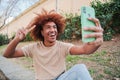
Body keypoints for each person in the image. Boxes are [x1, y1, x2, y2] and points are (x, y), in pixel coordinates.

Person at [3, 9, 103, 80]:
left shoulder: (62, 46)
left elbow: (85, 50)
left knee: (80, 69)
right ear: (41, 32)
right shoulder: (33, 48)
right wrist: (17, 39)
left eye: (54, 27)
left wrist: (96, 43)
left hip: (62, 78)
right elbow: (7, 54)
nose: (52, 30)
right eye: (48, 27)